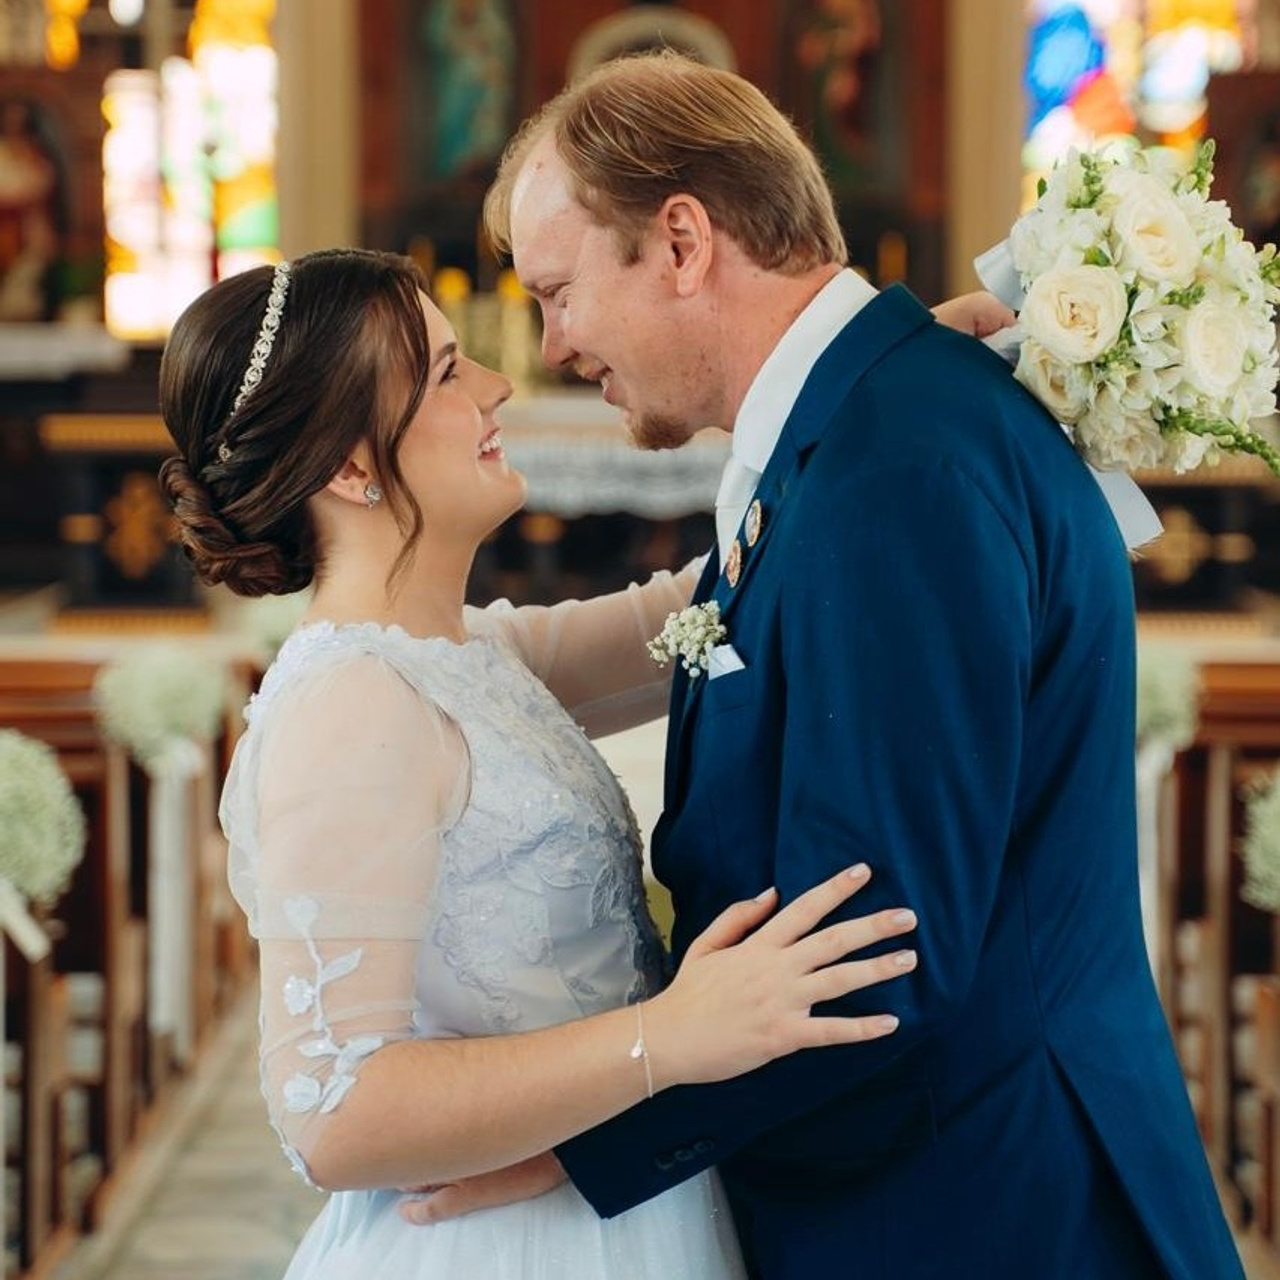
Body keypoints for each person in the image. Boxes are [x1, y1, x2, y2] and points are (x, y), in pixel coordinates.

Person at [448, 50, 1245, 1279]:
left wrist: (581, 1137)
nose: (552, 344)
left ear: (679, 242)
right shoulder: (870, 422)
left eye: (558, 291)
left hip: (981, 1209)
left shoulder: (896, 469)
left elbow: (880, 942)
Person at [156, 247, 920, 1279]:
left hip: (624, 1206)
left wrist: (890, 384)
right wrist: (667, 1034)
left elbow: (721, 599)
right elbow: (331, 1111)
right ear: (349, 464)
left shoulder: (469, 655)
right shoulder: (349, 707)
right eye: (444, 373)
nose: (498, 386)